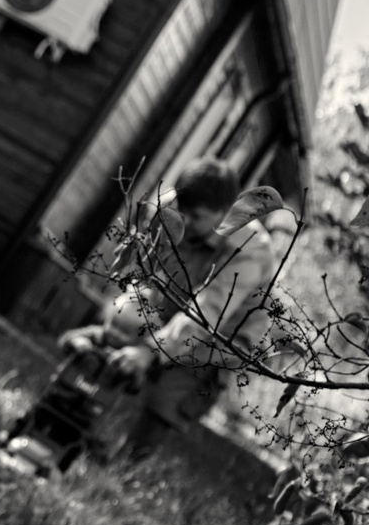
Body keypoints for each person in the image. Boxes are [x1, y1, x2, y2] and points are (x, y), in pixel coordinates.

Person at [58, 157, 293, 461]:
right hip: (173, 305)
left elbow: (205, 313)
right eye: (182, 211)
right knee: (125, 318)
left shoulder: (249, 249)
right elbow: (144, 272)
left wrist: (150, 352)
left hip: (221, 337)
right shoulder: (172, 209)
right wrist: (123, 321)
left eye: (195, 217)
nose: (185, 222)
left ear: (223, 213)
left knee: (167, 396)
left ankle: (125, 466)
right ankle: (78, 413)